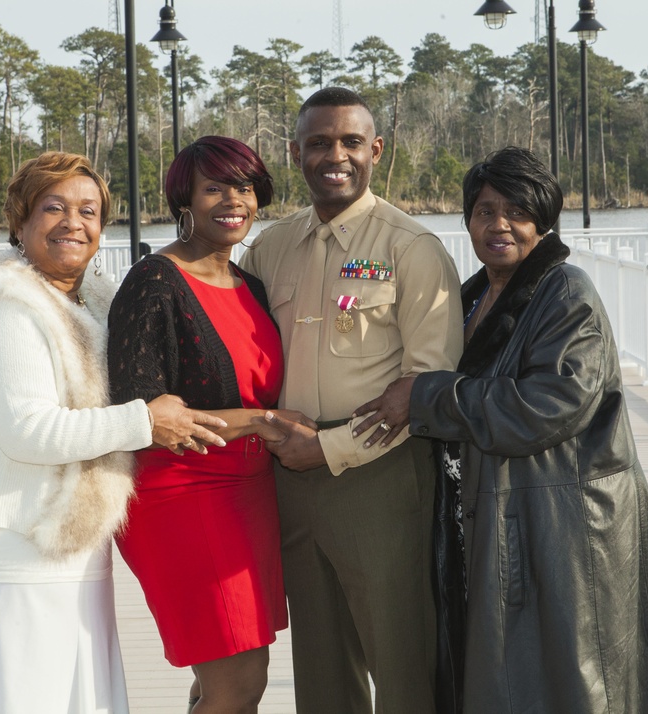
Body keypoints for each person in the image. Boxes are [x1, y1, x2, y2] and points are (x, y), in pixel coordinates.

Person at [353, 146, 648, 713]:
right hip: (499, 512)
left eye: (516, 211)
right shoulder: (476, 294)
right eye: (484, 211)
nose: (498, 224)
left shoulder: (565, 291)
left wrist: (427, 395)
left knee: (567, 682)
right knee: (504, 679)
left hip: (562, 524)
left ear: (542, 219)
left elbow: (549, 404)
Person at [0, 151, 226, 714]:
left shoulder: (96, 299)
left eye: (88, 210)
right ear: (21, 221)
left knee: (71, 690)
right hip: (7, 539)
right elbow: (27, 432)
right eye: (53, 208)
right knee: (19, 693)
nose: (72, 222)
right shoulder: (6, 306)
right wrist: (144, 422)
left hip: (68, 536)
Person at [239, 87, 464, 714]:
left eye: (350, 142)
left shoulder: (410, 248)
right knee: (320, 665)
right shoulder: (270, 247)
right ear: (296, 152)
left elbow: (428, 387)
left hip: (379, 475)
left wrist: (329, 447)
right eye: (318, 143)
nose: (333, 155)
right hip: (290, 476)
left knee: (400, 659)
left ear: (376, 150)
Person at [107, 136, 309, 714]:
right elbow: (140, 413)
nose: (232, 200)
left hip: (250, 496)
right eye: (213, 187)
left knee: (220, 679)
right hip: (183, 493)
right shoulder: (155, 281)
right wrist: (261, 421)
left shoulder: (252, 286)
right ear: (185, 200)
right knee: (241, 684)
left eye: (243, 186)